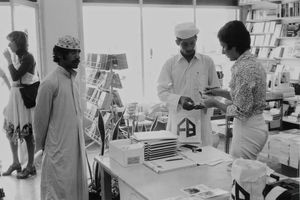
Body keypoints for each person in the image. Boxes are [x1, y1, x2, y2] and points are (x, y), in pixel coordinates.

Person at [203, 20, 268, 160]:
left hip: (247, 129)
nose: (223, 51)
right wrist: (218, 91)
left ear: (234, 46)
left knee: (241, 175)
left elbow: (241, 110)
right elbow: (244, 98)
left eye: (224, 47)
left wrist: (215, 103)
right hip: (257, 125)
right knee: (246, 173)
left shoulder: (242, 68)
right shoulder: (254, 63)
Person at [33, 35, 88, 200]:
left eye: (78, 52)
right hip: (57, 150)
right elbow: (40, 121)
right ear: (61, 55)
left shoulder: (74, 81)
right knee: (57, 190)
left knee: (75, 188)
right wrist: (41, 149)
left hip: (75, 148)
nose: (78, 56)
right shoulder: (49, 83)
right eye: (73, 52)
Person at [157, 22, 220, 145]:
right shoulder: (170, 63)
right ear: (177, 42)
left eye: (192, 43)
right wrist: (180, 99)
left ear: (196, 39)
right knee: (179, 155)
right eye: (185, 44)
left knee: (204, 155)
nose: (189, 47)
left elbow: (216, 88)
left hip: (201, 118)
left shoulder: (207, 61)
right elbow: (161, 91)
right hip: (179, 118)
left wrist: (208, 101)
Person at [2, 31, 38, 179]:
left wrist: (9, 60)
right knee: (10, 130)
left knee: (27, 133)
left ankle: (30, 165)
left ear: (18, 42)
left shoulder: (28, 57)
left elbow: (16, 76)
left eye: (11, 41)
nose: (9, 44)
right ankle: (16, 162)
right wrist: (4, 75)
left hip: (24, 100)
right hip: (15, 97)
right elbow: (14, 81)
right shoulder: (18, 57)